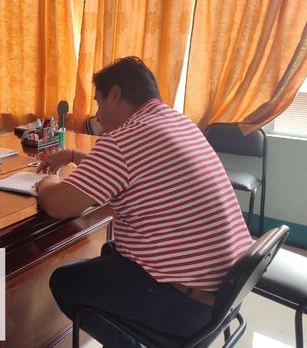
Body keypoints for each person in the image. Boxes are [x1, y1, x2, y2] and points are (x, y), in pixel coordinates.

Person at [36, 57, 253, 344]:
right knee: (111, 250)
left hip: (187, 304)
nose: (98, 116)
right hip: (225, 290)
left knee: (64, 282)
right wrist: (76, 156)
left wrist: (45, 183)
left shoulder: (124, 139)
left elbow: (57, 204)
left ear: (115, 94)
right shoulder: (177, 122)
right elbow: (138, 169)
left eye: (99, 102)